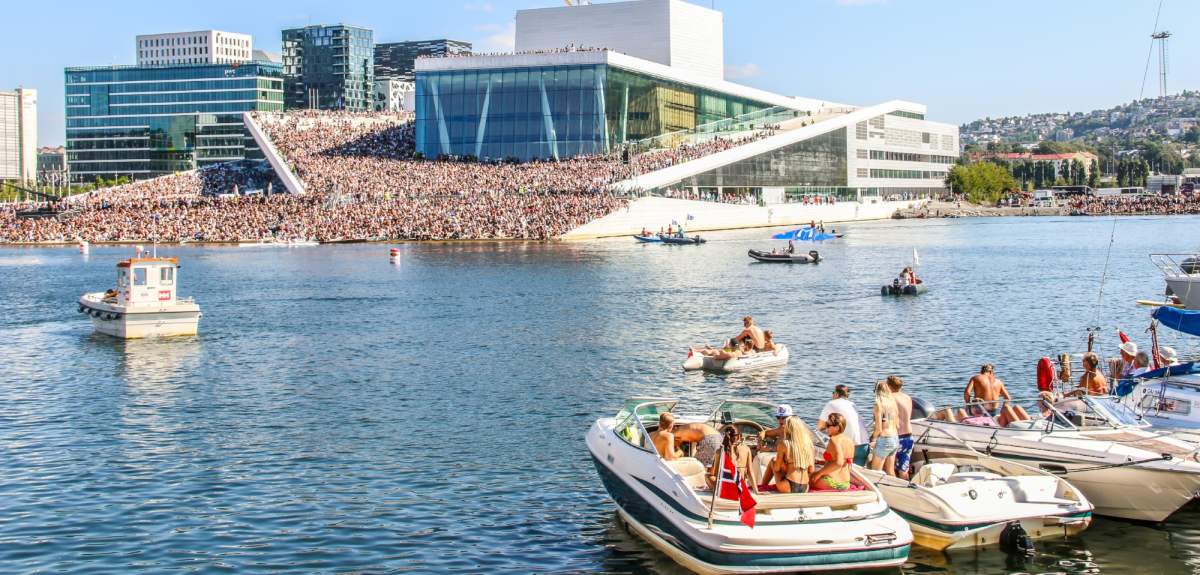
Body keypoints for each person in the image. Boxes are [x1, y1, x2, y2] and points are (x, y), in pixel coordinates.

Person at [817, 384, 870, 466]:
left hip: (848, 446)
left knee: (841, 470)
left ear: (836, 394)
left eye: (833, 392)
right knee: (855, 473)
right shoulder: (852, 404)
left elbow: (820, 426)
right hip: (864, 445)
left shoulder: (831, 403)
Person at [763, 416, 815, 493]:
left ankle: (762, 487)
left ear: (788, 428)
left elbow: (776, 468)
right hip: (805, 487)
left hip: (788, 485)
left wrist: (784, 465)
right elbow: (811, 469)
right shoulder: (808, 444)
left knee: (773, 461)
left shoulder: (785, 444)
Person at [707, 426, 758, 493]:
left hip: (726, 488)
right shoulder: (746, 449)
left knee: (707, 476)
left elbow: (717, 474)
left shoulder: (720, 451)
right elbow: (750, 472)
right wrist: (756, 491)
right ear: (739, 436)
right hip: (740, 487)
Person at [810, 413, 854, 491]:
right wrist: (821, 462)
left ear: (837, 427)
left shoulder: (834, 440)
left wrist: (819, 473)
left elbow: (839, 463)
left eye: (828, 425)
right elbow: (845, 462)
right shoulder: (849, 440)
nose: (826, 428)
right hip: (845, 484)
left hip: (832, 483)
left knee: (803, 478)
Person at [869, 380, 900, 476]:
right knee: (890, 471)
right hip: (895, 438)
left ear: (877, 391)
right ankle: (896, 489)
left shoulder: (878, 404)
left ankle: (877, 490)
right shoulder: (893, 404)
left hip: (885, 440)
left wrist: (872, 438)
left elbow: (878, 428)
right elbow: (897, 425)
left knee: (875, 472)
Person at [886, 376, 915, 480]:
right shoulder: (908, 397)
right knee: (903, 470)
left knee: (889, 468)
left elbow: (888, 418)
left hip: (897, 437)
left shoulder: (890, 398)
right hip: (909, 436)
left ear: (888, 386)